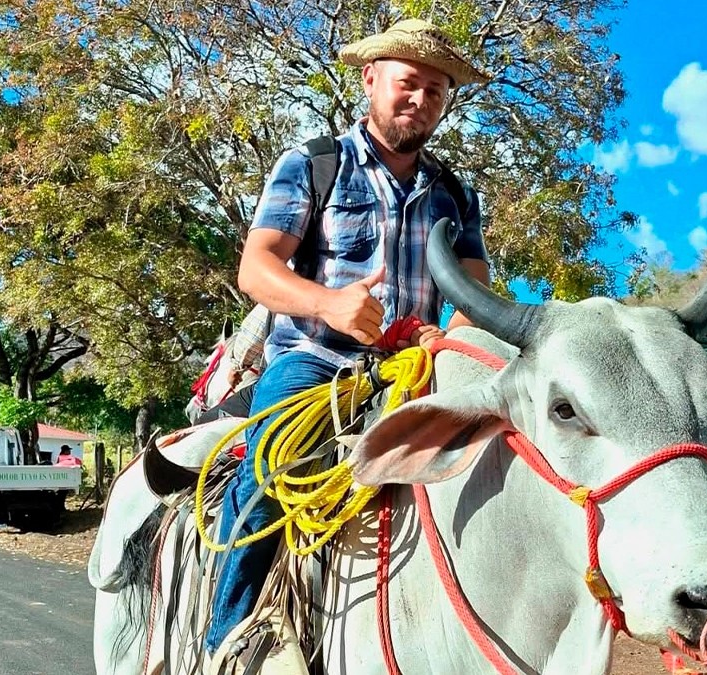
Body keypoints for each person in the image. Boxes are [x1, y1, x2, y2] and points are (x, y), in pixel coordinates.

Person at [204, 18, 492, 654]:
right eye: (408, 83)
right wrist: (331, 305)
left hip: (415, 373)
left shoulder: (455, 196)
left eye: (437, 91)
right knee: (267, 471)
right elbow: (257, 268)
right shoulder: (314, 164)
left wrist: (445, 340)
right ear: (371, 80)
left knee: (495, 455)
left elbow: (475, 299)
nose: (420, 99)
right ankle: (226, 639)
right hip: (315, 362)